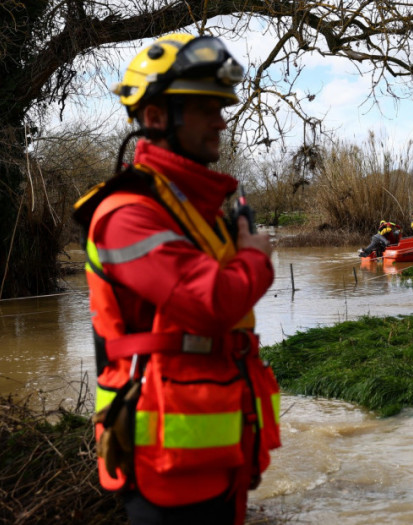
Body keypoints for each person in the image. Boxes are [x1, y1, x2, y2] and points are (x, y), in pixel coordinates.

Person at [72, 34, 281, 525]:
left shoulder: (189, 211)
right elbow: (209, 303)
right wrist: (254, 257)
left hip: (212, 452)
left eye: (222, 106)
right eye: (206, 107)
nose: (221, 120)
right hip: (163, 461)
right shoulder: (126, 214)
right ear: (156, 117)